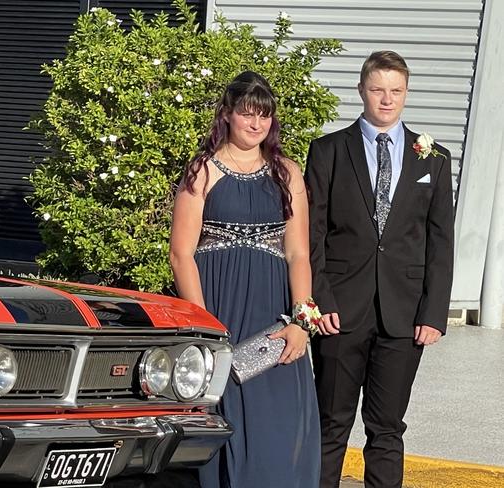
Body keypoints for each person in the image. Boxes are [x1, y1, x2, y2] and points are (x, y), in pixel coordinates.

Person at [304, 50, 454, 488]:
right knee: (331, 424)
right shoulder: (329, 151)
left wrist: (433, 313)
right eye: (377, 90)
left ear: (406, 93)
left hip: (404, 316)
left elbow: (440, 240)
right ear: (361, 91)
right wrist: (320, 300)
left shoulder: (434, 159)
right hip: (339, 312)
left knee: (387, 428)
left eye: (395, 91)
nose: (386, 100)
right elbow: (312, 234)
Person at [169, 71, 321, 488]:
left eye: (264, 116)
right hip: (221, 311)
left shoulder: (287, 172)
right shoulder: (202, 171)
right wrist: (205, 328)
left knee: (282, 428)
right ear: (228, 115)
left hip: (274, 317)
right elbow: (182, 254)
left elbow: (299, 254)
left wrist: (301, 323)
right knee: (226, 422)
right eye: (247, 114)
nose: (256, 125)